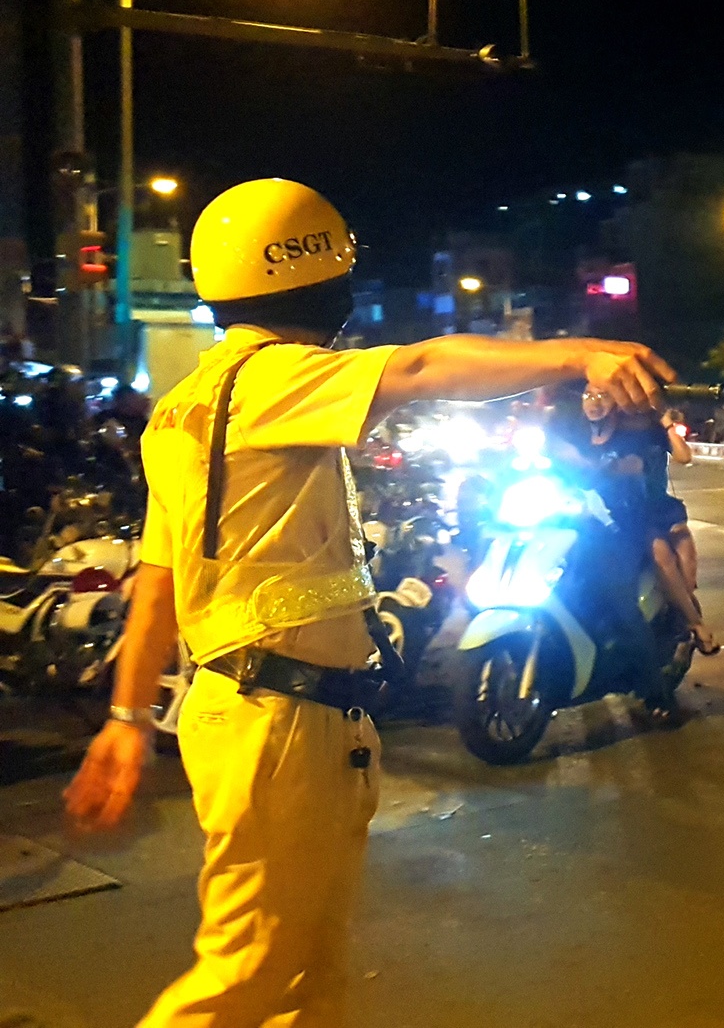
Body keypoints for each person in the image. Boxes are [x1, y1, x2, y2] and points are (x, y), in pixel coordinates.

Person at [62, 178, 674, 1028]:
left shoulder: (186, 406)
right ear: (318, 278)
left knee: (308, 981)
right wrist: (578, 354)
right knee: (246, 977)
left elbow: (160, 580)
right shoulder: (272, 374)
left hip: (272, 712)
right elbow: (421, 368)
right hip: (279, 720)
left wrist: (128, 716)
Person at [569, 386, 718, 654]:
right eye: (588, 395)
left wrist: (668, 424)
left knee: (683, 547)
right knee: (660, 552)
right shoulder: (577, 430)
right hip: (611, 512)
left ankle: (690, 618)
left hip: (649, 507)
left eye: (603, 396)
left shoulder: (638, 433)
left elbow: (683, 457)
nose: (594, 403)